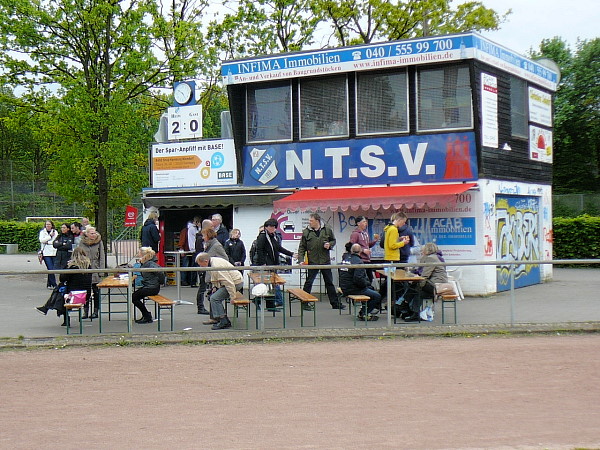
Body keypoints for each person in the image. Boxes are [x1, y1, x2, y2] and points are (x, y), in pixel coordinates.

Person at [298, 212, 345, 310]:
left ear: (317, 221)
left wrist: (330, 245)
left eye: (311, 221)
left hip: (325, 261)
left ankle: (335, 304)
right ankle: (305, 303)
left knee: (329, 283)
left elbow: (333, 240)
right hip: (313, 261)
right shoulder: (306, 232)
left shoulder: (327, 229)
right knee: (309, 282)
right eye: (309, 221)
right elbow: (302, 247)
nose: (309, 222)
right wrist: (301, 259)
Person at [36, 247, 93, 326]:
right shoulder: (88, 266)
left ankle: (50, 309)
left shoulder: (72, 266)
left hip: (73, 295)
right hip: (86, 294)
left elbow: (62, 278)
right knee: (60, 290)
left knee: (60, 292)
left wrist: (67, 266)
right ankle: (46, 308)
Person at [401, 242, 448, 322]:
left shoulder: (431, 259)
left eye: (423, 250)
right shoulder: (436, 257)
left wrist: (419, 285)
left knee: (417, 289)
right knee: (416, 287)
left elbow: (425, 275)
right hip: (436, 283)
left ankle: (406, 305)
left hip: (437, 286)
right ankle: (407, 307)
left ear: (427, 250)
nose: (421, 252)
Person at [196, 252, 244, 330]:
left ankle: (224, 320)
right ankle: (216, 317)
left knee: (214, 298)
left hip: (235, 283)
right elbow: (216, 278)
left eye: (200, 264)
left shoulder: (217, 266)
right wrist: (215, 287)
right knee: (211, 296)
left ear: (205, 261)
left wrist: (233, 297)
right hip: (230, 283)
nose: (200, 266)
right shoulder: (212, 262)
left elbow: (228, 282)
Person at [255, 218, 297, 307]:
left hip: (273, 263)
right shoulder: (262, 236)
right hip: (267, 264)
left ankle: (268, 303)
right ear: (266, 227)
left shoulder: (273, 236)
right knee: (269, 283)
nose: (273, 228)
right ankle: (264, 302)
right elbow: (259, 249)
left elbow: (278, 248)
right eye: (271, 226)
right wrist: (263, 263)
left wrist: (291, 254)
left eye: (274, 227)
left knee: (271, 283)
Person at [339, 243, 381, 321]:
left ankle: (364, 311)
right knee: (377, 296)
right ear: (360, 251)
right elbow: (358, 279)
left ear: (351, 250)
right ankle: (364, 313)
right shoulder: (359, 262)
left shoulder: (346, 259)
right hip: (353, 289)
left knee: (370, 289)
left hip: (344, 287)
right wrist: (366, 285)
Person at [196, 227, 228, 317]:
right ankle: (214, 317)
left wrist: (215, 264)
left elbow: (225, 259)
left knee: (213, 296)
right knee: (211, 295)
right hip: (209, 274)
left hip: (215, 275)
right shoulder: (209, 244)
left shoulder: (216, 245)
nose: (203, 237)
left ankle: (217, 317)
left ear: (208, 235)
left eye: (204, 235)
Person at [132, 247, 164, 324]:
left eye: (139, 252)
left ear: (143, 255)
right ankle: (146, 315)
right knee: (134, 297)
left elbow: (160, 272)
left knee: (134, 297)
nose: (138, 254)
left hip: (151, 287)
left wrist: (160, 282)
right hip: (149, 286)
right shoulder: (146, 263)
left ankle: (147, 316)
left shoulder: (150, 264)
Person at [79, 226, 105, 319]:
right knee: (86, 292)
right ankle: (85, 311)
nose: (94, 235)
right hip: (85, 267)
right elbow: (79, 255)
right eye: (92, 233)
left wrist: (101, 271)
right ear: (87, 234)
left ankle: (95, 311)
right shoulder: (82, 242)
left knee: (96, 291)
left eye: (94, 233)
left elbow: (102, 257)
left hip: (95, 267)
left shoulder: (99, 242)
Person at [349, 215, 379, 282]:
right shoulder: (355, 234)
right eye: (364, 222)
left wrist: (374, 241)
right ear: (358, 223)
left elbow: (367, 245)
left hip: (368, 259)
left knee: (370, 278)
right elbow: (352, 245)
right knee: (363, 278)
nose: (366, 223)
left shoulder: (366, 233)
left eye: (366, 222)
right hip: (360, 259)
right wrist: (363, 250)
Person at [39, 220, 59, 288]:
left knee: (52, 269)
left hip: (53, 252)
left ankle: (49, 284)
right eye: (47, 224)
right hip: (46, 253)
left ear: (52, 225)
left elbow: (55, 241)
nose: (48, 226)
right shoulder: (42, 232)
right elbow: (41, 240)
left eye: (49, 224)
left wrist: (48, 242)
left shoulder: (55, 232)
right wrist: (50, 236)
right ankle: (54, 284)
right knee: (50, 268)